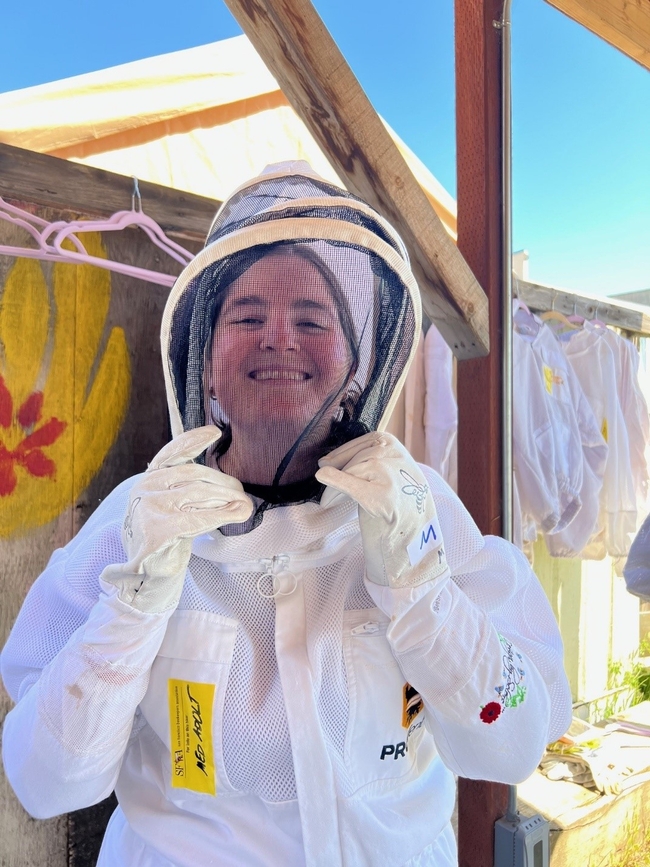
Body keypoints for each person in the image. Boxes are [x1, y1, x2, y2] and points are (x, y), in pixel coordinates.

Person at [1, 162, 572, 867]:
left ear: (360, 365)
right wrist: (130, 611)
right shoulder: (136, 520)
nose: (279, 337)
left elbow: (514, 734)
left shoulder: (419, 508)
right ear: (204, 362)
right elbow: (45, 781)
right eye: (247, 317)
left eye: (312, 319)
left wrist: (423, 594)